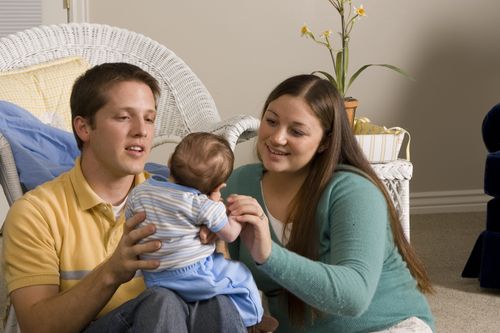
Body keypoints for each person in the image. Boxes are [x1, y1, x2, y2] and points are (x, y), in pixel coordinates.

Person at [2, 63, 248, 333]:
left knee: (217, 302)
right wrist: (111, 272)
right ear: (84, 128)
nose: (141, 130)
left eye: (150, 118)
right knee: (161, 301)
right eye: (123, 117)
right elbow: (37, 327)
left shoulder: (186, 199)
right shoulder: (36, 213)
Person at [222, 74, 435, 333]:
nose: (277, 137)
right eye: (271, 121)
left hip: (387, 326)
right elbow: (227, 271)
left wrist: (269, 255)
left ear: (324, 141)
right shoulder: (239, 183)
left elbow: (354, 297)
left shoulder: (354, 191)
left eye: (296, 131)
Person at [124, 132, 265, 328]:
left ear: (170, 161)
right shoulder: (200, 204)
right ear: (219, 186)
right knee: (241, 275)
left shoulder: (140, 192)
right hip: (196, 273)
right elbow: (231, 235)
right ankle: (254, 317)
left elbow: (130, 221)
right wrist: (233, 215)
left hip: (155, 276)